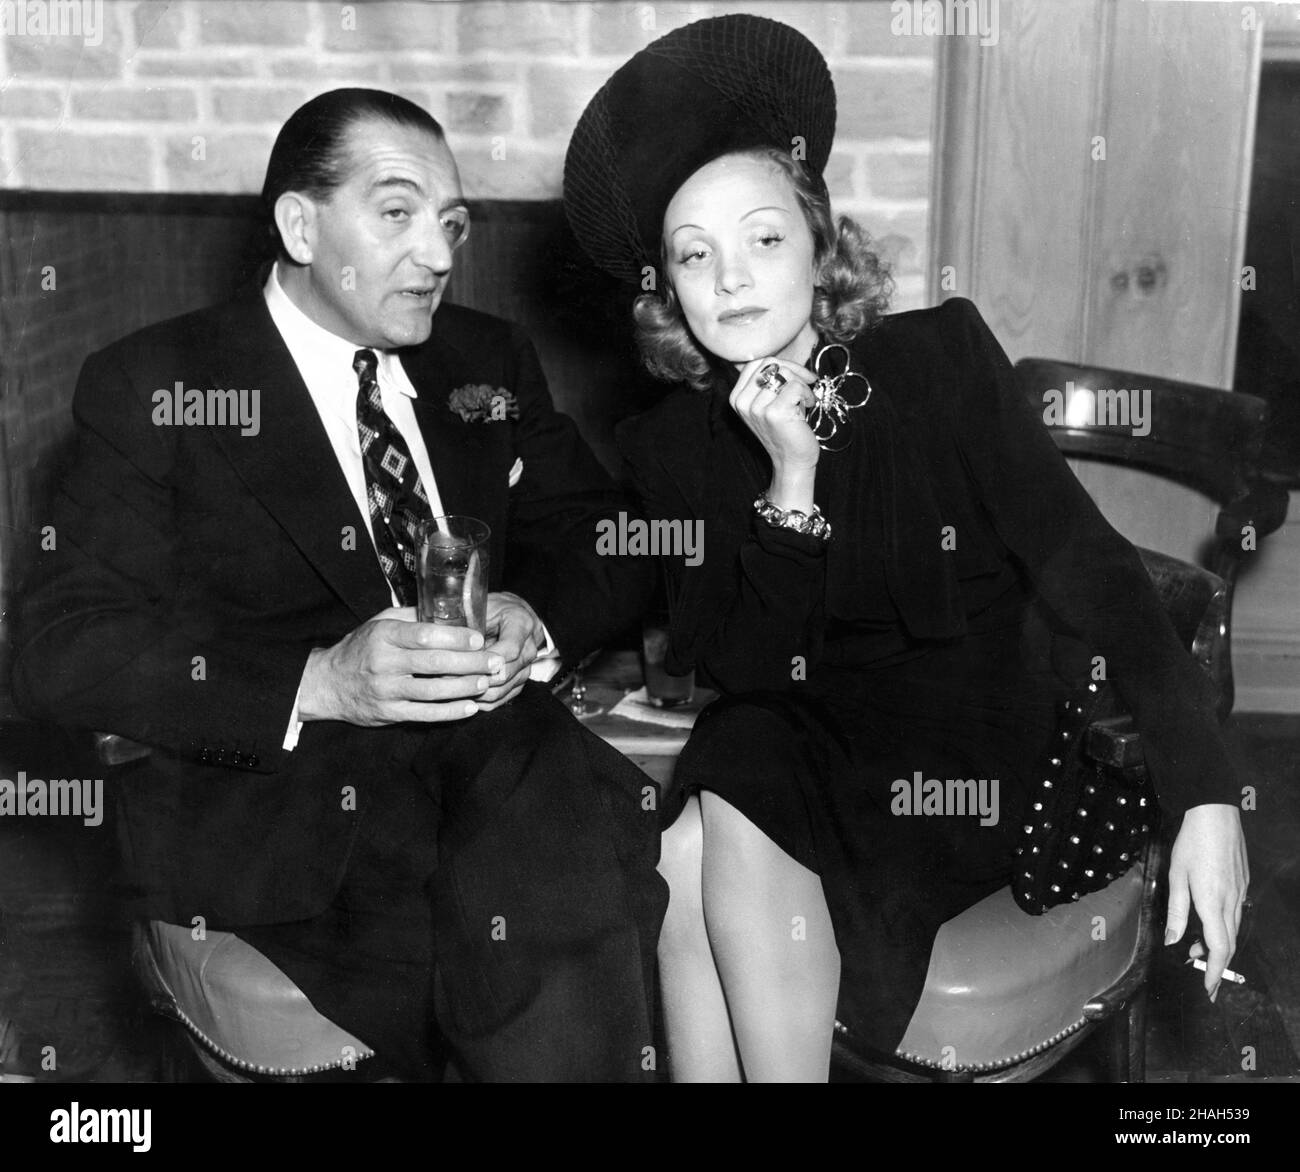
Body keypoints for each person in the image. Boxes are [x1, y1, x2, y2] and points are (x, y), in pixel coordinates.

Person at [563, 16, 1250, 1082]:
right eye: (693, 255)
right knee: (697, 825)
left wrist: (1203, 788)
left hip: (970, 744)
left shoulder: (937, 361)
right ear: (667, 290)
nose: (731, 277)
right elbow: (746, 675)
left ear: (820, 245)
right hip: (799, 744)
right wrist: (790, 481)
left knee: (725, 803)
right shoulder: (672, 449)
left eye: (763, 237)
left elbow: (1089, 563)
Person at [14, 88, 666, 1083]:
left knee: (548, 825)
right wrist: (318, 678)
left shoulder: (486, 360)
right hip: (288, 811)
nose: (441, 254)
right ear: (299, 225)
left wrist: (536, 619)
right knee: (574, 880)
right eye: (398, 213)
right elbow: (62, 649)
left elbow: (609, 537)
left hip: (492, 791)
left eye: (451, 223)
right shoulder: (160, 384)